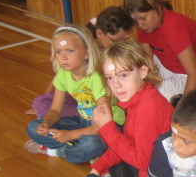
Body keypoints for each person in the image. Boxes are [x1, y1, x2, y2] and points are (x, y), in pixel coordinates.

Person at [78, 39, 178, 177]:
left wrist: (107, 128)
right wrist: (98, 167)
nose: (116, 85)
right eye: (109, 78)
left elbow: (143, 161)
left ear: (142, 72)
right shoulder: (138, 97)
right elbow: (128, 141)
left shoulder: (148, 108)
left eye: (123, 75)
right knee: (111, 147)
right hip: (146, 174)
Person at [25, 25, 125, 163]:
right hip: (83, 120)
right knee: (33, 127)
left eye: (70, 51)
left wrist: (71, 134)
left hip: (110, 125)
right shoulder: (63, 75)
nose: (63, 57)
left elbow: (105, 123)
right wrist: (46, 123)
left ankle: (58, 151)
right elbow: (55, 110)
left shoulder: (96, 77)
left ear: (86, 53)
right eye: (58, 51)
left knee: (92, 144)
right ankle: (78, 148)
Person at [26, 6, 134, 119]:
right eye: (116, 40)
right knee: (41, 102)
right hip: (81, 98)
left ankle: (84, 118)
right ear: (100, 33)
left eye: (125, 39)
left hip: (104, 100)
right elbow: (60, 77)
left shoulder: (116, 54)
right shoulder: (80, 49)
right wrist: (47, 97)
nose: (121, 44)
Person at [123, 0, 196, 103]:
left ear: (157, 7)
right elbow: (147, 61)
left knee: (153, 95)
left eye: (143, 18)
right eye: (135, 21)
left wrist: (183, 107)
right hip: (171, 64)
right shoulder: (144, 28)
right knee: (139, 82)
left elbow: (194, 73)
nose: (140, 25)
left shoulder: (173, 28)